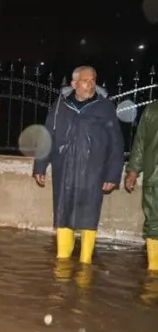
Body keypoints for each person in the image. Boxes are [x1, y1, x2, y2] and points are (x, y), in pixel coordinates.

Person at [33, 65, 124, 264]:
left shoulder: (105, 107)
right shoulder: (60, 106)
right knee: (63, 213)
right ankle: (62, 263)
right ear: (74, 84)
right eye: (85, 80)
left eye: (93, 80)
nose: (90, 84)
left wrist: (113, 175)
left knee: (89, 215)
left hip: (94, 171)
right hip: (64, 169)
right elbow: (47, 135)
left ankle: (85, 264)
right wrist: (40, 165)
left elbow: (116, 143)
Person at [124, 100, 158, 270]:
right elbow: (140, 142)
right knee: (154, 224)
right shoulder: (152, 109)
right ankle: (154, 271)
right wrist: (133, 171)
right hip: (155, 177)